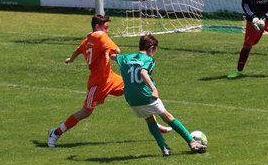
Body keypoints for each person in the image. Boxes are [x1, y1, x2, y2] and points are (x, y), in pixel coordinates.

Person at [47, 15, 170, 147]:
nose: (107, 31)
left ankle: (154, 125)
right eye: (105, 28)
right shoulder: (100, 36)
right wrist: (107, 47)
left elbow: (77, 51)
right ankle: (56, 133)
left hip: (111, 78)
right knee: (86, 111)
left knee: (135, 92)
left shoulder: (87, 40)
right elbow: (117, 50)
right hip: (98, 83)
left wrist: (70, 60)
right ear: (97, 27)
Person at [112, 34, 207, 156]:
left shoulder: (125, 57)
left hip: (131, 99)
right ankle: (192, 142)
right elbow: (143, 72)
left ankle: (164, 149)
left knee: (150, 119)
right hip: (145, 95)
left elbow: (113, 56)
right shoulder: (148, 60)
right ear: (151, 48)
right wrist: (154, 89)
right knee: (167, 116)